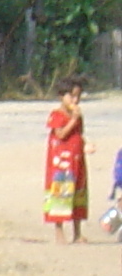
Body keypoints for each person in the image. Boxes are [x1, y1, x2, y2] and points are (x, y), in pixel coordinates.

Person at [47, 76, 89, 241]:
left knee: (78, 193)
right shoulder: (57, 115)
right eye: (71, 96)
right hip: (62, 164)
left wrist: (86, 145)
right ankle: (59, 231)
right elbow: (61, 134)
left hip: (77, 160)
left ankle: (77, 232)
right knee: (61, 194)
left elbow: (79, 134)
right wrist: (73, 119)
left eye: (78, 96)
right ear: (61, 96)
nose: (75, 100)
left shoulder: (77, 115)